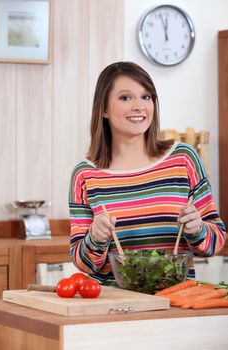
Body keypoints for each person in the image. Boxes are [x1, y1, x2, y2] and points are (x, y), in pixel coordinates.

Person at [69, 61, 226, 285]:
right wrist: (94, 238)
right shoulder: (85, 175)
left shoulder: (183, 159)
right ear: (103, 108)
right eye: (125, 97)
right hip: (113, 308)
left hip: (175, 304)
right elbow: (82, 262)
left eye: (146, 97)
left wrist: (198, 229)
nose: (139, 106)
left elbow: (216, 241)